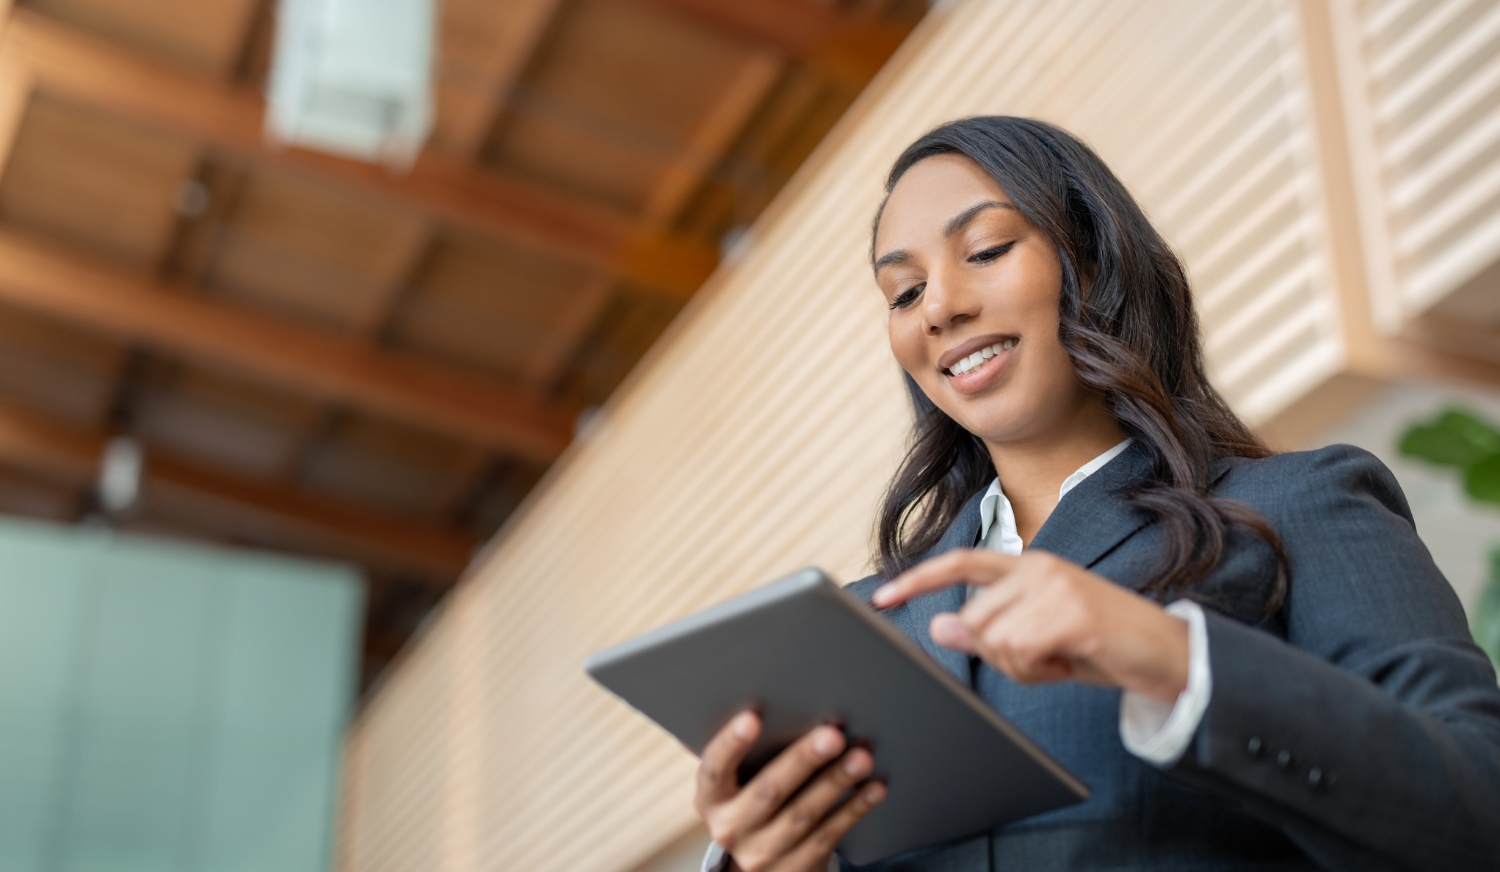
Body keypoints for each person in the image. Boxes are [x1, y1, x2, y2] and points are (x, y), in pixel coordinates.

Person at [692, 116, 1500, 871]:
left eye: (985, 249)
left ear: (1094, 258)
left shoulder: (1297, 506)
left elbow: (1479, 807)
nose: (937, 306)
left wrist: (1175, 659)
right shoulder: (864, 626)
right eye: (902, 293)